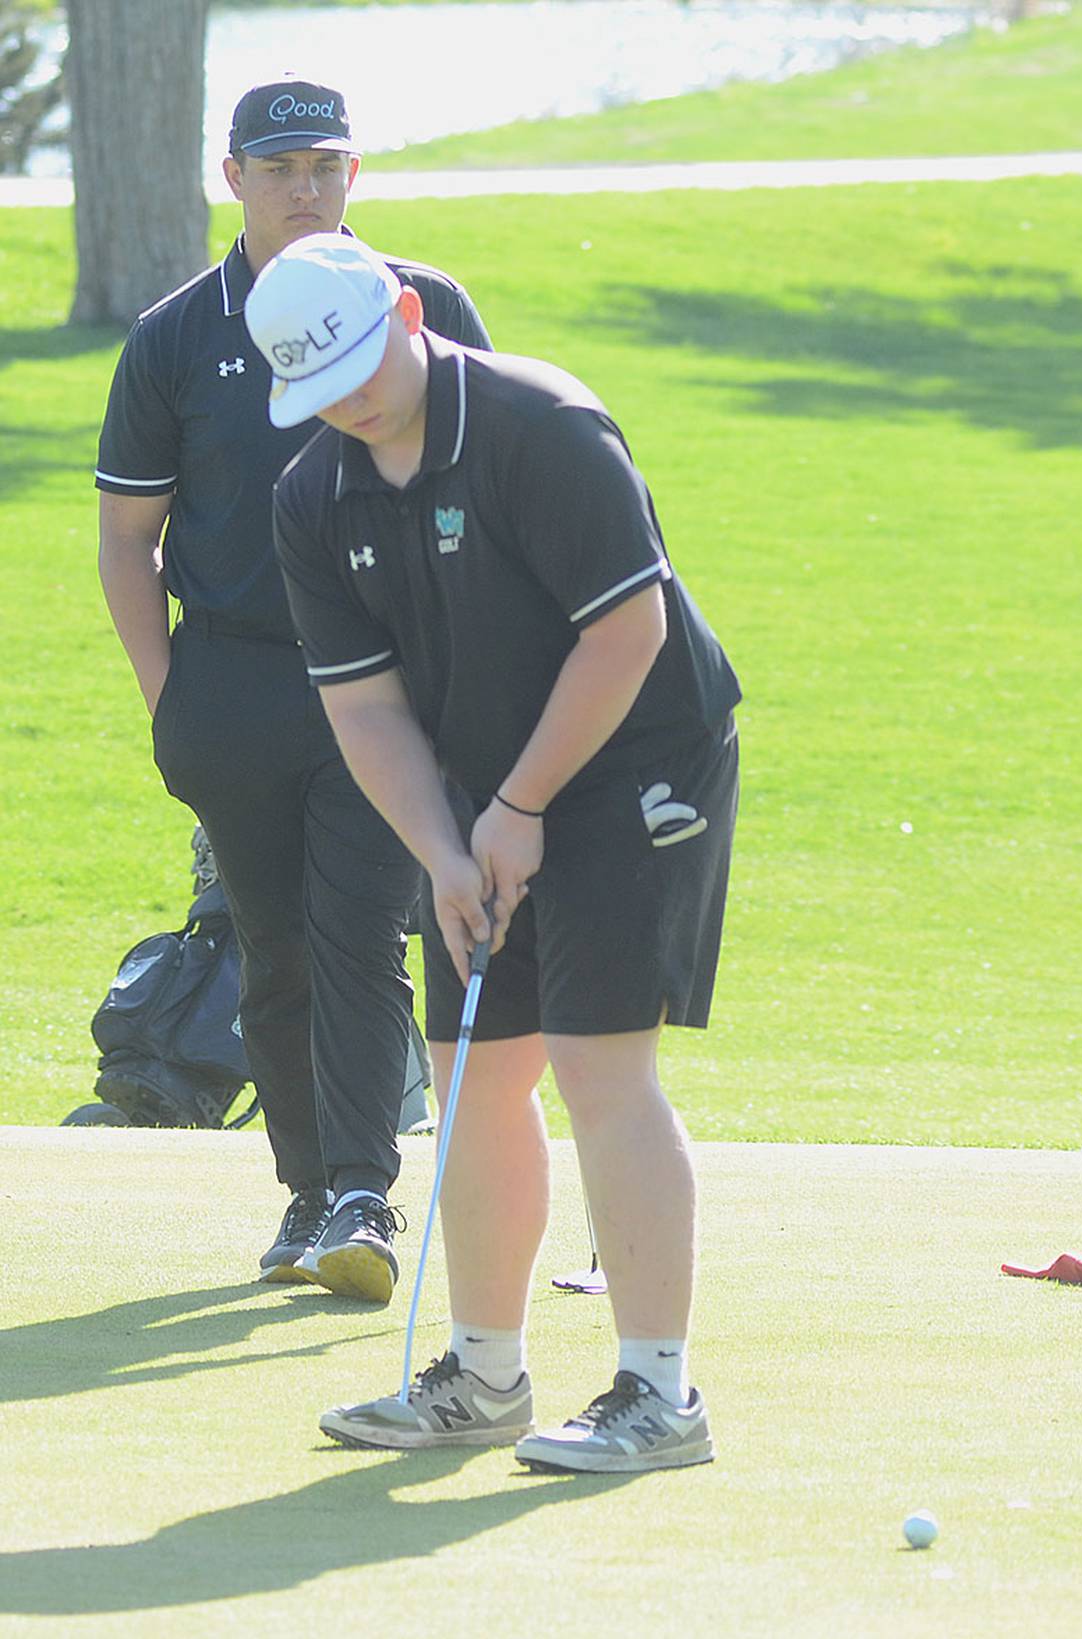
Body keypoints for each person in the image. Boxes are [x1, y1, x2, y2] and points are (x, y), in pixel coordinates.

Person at [245, 233, 742, 1473]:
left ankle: (658, 1393)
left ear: (408, 309)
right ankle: (484, 1373)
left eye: (365, 359)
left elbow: (628, 632)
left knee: (593, 1061)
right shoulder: (314, 495)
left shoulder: (542, 422)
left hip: (640, 755)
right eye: (323, 386)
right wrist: (442, 849)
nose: (353, 398)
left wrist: (516, 807)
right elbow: (364, 707)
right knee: (472, 1067)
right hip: (478, 790)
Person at [94, 78, 493, 1303]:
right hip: (236, 682)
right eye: (279, 167)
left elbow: (480, 497)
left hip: (389, 687)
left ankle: (364, 1189)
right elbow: (128, 539)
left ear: (355, 172)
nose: (304, 187)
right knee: (268, 948)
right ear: (234, 180)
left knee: (361, 929)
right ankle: (309, 1189)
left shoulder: (422, 305)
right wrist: (175, 702)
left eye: (325, 163)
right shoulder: (173, 333)